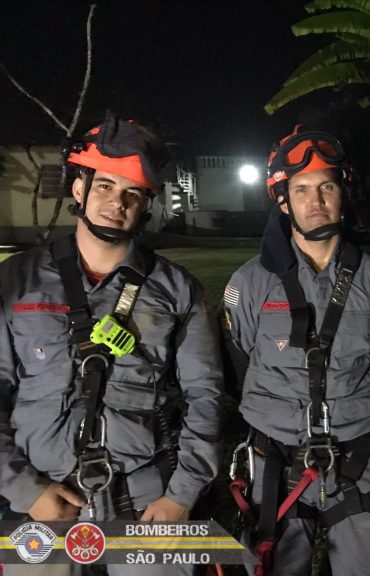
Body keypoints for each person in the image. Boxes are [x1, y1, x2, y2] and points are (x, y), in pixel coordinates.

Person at [0, 112, 224, 575]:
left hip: (147, 500)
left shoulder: (178, 289)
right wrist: (23, 489)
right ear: (79, 189)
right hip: (42, 504)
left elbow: (207, 396)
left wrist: (182, 495)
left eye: (132, 193)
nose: (116, 203)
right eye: (104, 185)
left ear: (146, 205)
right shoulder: (16, 281)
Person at [221, 126, 370, 575]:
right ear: (283, 200)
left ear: (343, 193)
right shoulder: (248, 283)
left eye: (327, 187)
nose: (315, 200)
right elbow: (239, 357)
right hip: (275, 457)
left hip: (357, 452)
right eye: (301, 189)